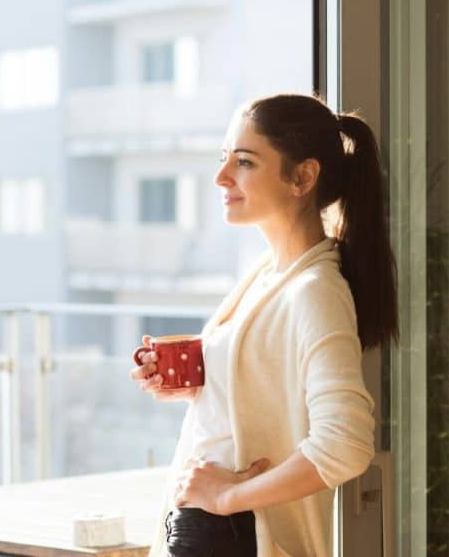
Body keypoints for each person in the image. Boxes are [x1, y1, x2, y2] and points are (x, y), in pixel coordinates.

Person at [129, 93, 399, 557]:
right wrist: (195, 379)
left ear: (303, 177)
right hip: (209, 528)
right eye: (224, 159)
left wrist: (226, 496)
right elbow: (264, 385)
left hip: (236, 536)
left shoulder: (314, 290)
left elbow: (345, 446)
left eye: (245, 162)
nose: (221, 177)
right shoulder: (268, 274)